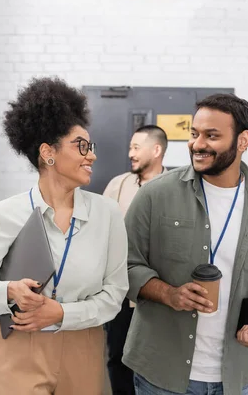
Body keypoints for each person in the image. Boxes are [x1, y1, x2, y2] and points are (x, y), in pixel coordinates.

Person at [0, 77, 129, 395]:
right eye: (81, 146)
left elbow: (115, 296)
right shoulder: (5, 214)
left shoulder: (107, 214)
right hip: (18, 347)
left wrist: (62, 313)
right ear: (48, 153)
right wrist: (10, 291)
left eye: (90, 147)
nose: (91, 155)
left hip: (83, 347)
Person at [122, 93, 248, 395]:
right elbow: (125, 265)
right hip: (162, 375)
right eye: (194, 134)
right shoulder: (154, 196)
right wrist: (169, 294)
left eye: (211, 136)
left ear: (243, 141)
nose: (198, 144)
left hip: (233, 377)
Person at [103, 124, 168, 395]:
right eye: (130, 147)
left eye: (136, 147)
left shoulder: (174, 188)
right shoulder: (118, 185)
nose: (130, 153)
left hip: (158, 293)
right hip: (121, 290)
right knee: (118, 356)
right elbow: (100, 229)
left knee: (155, 361)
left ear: (157, 150)